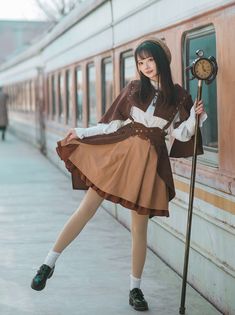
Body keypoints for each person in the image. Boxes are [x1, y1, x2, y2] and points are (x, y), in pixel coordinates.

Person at [31, 38, 207, 311]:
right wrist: (82, 132)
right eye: (140, 62)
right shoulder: (135, 88)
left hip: (148, 163)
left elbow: (178, 134)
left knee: (139, 229)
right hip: (119, 155)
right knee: (85, 210)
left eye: (149, 60)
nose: (146, 67)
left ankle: (135, 289)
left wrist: (195, 118)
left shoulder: (179, 96)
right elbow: (112, 124)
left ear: (162, 60)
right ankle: (48, 263)